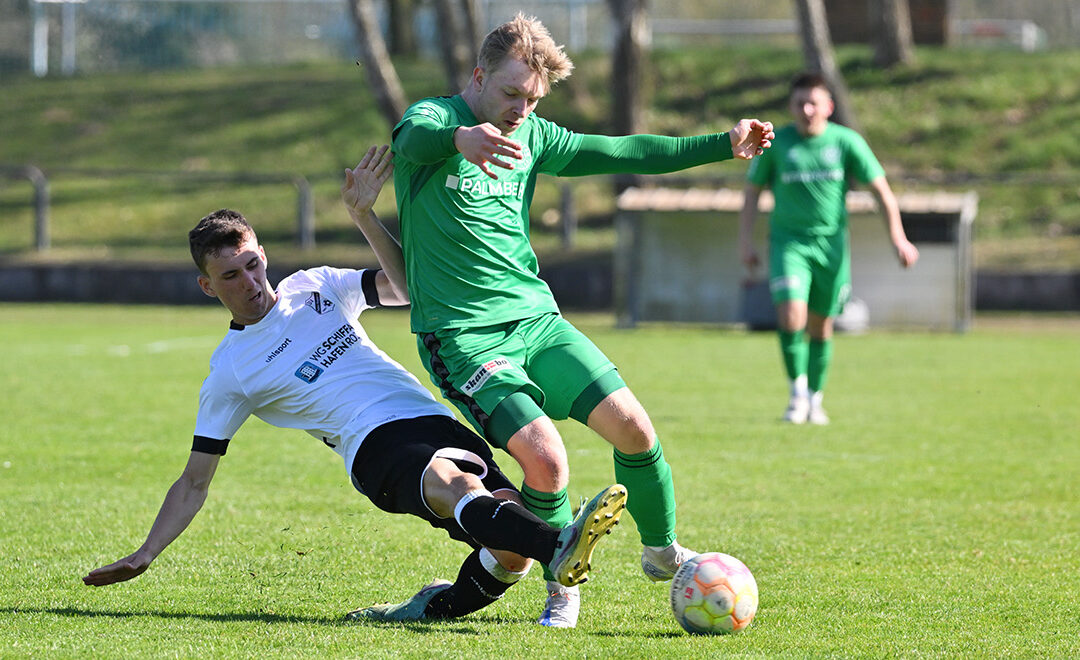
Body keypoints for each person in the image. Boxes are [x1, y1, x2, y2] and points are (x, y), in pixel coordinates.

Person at [81, 146, 628, 623]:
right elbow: (195, 480)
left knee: (510, 549)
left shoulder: (314, 286)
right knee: (458, 487)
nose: (249, 282)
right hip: (373, 448)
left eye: (251, 265)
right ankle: (561, 545)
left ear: (263, 255)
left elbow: (408, 288)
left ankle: (428, 606)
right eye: (230, 276)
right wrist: (146, 552)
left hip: (431, 419)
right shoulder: (232, 371)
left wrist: (363, 214)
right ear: (207, 285)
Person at [389, 13, 774, 627]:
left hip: (537, 321)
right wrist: (460, 141)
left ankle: (662, 551)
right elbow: (406, 140)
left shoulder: (533, 136)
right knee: (546, 461)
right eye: (511, 93)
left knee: (636, 432)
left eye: (533, 99)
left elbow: (625, 151)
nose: (521, 109)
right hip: (462, 336)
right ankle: (561, 584)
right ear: (478, 75)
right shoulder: (435, 120)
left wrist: (721, 144)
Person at [739, 72, 920, 425]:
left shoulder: (846, 142)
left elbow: (881, 191)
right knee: (791, 315)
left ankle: (815, 399)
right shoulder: (777, 145)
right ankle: (796, 395)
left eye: (813, 103)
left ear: (828, 107)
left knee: (821, 327)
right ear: (790, 107)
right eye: (799, 103)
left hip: (832, 247)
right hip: (789, 244)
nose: (806, 109)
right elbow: (751, 193)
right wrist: (745, 241)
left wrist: (898, 237)